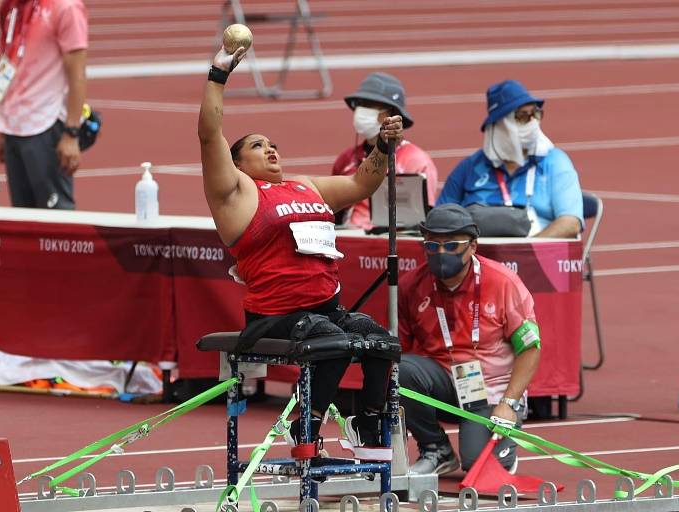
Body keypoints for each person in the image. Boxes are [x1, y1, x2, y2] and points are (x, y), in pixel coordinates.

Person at [198, 45, 403, 459]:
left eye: (273, 144)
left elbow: (362, 184)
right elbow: (209, 134)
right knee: (334, 341)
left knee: (379, 340)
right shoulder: (236, 193)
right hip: (274, 317)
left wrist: (382, 147)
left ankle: (367, 422)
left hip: (324, 311)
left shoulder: (305, 186)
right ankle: (304, 425)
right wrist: (218, 74)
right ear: (235, 163)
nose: (270, 149)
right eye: (258, 146)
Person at [397, 204, 541, 475]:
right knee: (399, 370)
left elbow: (530, 348)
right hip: (444, 384)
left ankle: (499, 439)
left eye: (452, 245)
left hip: (493, 390)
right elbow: (399, 349)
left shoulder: (502, 282)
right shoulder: (410, 286)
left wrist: (509, 402)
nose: (441, 253)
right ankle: (436, 449)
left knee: (480, 468)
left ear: (473, 246)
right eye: (432, 246)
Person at [437, 80, 582, 238]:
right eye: (523, 116)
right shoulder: (469, 168)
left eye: (535, 114)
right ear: (499, 124)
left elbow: (571, 222)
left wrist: (527, 248)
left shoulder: (555, 162)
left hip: (537, 250)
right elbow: (439, 220)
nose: (533, 123)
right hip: (477, 251)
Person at [0, 0, 88, 209]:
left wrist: (72, 133)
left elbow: (77, 73)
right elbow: (9, 62)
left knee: (55, 218)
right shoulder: (13, 6)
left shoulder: (66, 7)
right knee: (23, 218)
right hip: (14, 127)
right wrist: (2, 127)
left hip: (46, 125)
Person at [332, 72, 437, 229]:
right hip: (346, 237)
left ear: (392, 113)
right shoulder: (346, 159)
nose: (361, 110)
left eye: (371, 104)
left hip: (392, 239)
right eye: (360, 103)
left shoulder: (416, 161)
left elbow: (422, 223)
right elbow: (333, 211)